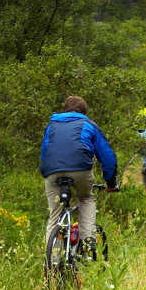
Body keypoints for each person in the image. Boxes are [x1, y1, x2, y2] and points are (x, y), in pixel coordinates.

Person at [39, 95, 118, 252]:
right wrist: (111, 183)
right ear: (84, 112)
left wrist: (50, 172)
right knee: (86, 197)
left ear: (64, 111)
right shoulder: (88, 125)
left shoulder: (52, 125)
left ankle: (52, 262)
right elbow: (108, 158)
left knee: (55, 216)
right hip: (81, 170)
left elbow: (45, 153)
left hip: (52, 171)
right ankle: (87, 239)